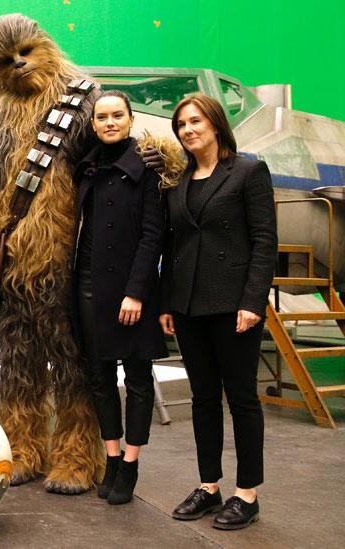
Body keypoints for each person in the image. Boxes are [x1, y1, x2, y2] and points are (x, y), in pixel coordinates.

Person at [160, 94, 277, 530]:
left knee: (243, 399)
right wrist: (169, 303)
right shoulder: (179, 180)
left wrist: (253, 302)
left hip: (233, 306)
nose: (188, 130)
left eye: (195, 121)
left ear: (214, 123)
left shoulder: (248, 170)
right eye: (182, 125)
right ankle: (209, 486)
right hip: (189, 305)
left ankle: (247, 494)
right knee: (203, 398)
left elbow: (265, 242)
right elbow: (173, 247)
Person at [72, 90, 166, 505]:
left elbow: (153, 235)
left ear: (130, 119)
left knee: (139, 379)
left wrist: (136, 293)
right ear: (93, 124)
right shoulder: (86, 167)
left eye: (117, 116)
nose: (110, 122)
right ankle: (111, 457)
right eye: (102, 117)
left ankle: (131, 462)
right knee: (99, 376)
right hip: (88, 284)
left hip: (131, 292)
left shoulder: (145, 169)